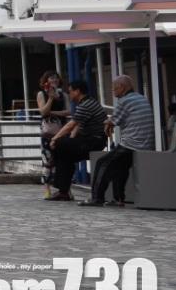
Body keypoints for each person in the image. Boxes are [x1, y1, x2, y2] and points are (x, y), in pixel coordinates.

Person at [82, 75, 153, 207]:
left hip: (132, 144)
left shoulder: (124, 101)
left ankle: (97, 198)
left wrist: (107, 123)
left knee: (102, 163)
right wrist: (109, 124)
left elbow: (113, 120)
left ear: (122, 87)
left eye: (114, 88)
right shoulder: (140, 98)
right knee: (120, 167)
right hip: (145, 144)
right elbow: (115, 121)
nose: (113, 91)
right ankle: (118, 199)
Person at [46, 79, 106, 202]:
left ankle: (54, 163)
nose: (70, 94)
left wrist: (55, 138)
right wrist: (69, 140)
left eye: (71, 91)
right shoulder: (88, 103)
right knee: (64, 154)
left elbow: (71, 125)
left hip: (94, 141)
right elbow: (78, 127)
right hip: (89, 139)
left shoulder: (86, 105)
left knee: (58, 145)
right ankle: (63, 191)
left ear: (78, 91)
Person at [36, 71, 71, 196]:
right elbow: (43, 112)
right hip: (47, 132)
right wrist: (50, 97)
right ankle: (47, 189)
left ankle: (65, 189)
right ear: (46, 80)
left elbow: (68, 111)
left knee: (63, 160)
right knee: (48, 160)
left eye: (56, 77)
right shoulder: (41, 94)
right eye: (51, 78)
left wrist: (53, 113)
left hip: (62, 131)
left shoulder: (64, 95)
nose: (54, 80)